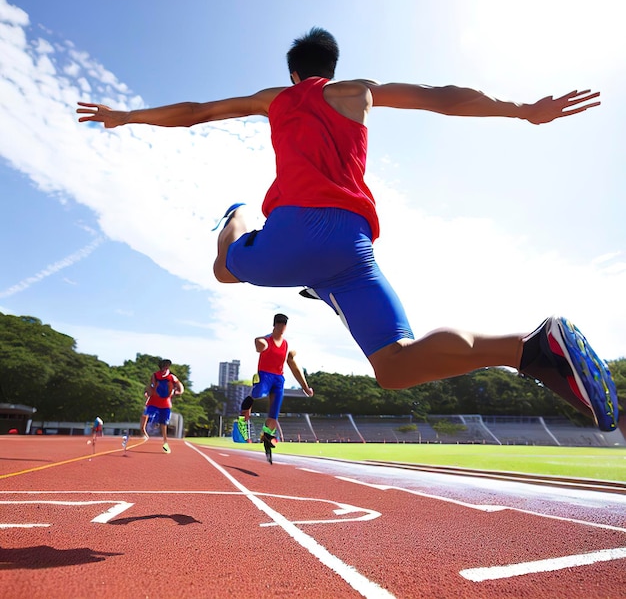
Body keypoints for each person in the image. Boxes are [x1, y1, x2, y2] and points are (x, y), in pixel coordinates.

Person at [76, 27, 618, 433]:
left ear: (294, 74)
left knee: (224, 268)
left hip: (291, 233)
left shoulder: (276, 98)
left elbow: (197, 112)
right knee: (395, 365)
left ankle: (237, 214)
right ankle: (528, 349)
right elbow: (442, 96)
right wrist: (524, 110)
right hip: (351, 244)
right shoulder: (358, 91)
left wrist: (127, 117)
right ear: (330, 69)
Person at [233, 313, 313, 462]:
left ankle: (267, 435)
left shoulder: (287, 346)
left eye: (284, 325)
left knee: (274, 414)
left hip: (278, 379)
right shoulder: (266, 341)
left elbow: (294, 367)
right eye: (280, 325)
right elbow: (258, 344)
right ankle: (242, 420)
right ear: (275, 325)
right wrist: (259, 342)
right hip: (265, 376)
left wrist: (305, 387)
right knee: (258, 396)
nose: (282, 328)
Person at [140, 358, 184, 453]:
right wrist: (147, 392)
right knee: (146, 414)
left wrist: (179, 391)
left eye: (166, 367)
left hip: (165, 402)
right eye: (163, 367)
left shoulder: (172, 377)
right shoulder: (155, 375)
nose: (164, 369)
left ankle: (165, 441)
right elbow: (151, 385)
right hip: (154, 400)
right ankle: (144, 430)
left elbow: (180, 386)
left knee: (164, 423)